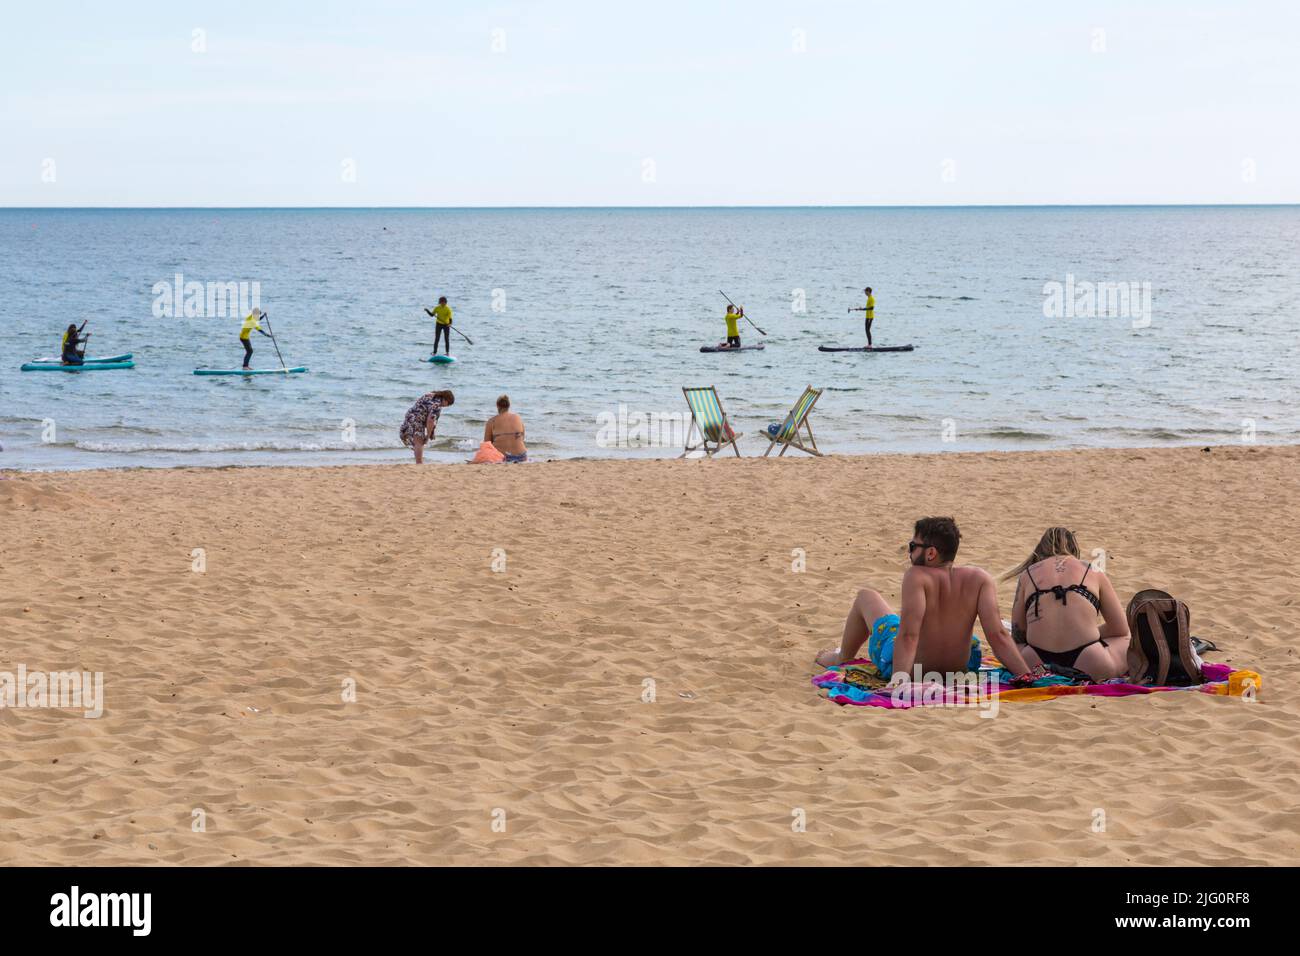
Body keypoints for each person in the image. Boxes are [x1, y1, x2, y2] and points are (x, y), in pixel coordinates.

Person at [816, 516, 1034, 682]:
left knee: (867, 597)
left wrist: (898, 681)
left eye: (913, 547)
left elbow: (909, 635)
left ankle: (841, 657)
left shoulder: (916, 576)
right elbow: (997, 635)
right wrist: (1025, 675)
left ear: (931, 553)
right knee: (971, 641)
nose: (910, 553)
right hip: (960, 669)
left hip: (915, 671)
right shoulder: (980, 578)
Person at [1003, 527, 1130, 681]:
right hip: (1091, 661)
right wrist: (1084, 633)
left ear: (1041, 549)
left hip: (1034, 662)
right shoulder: (1093, 570)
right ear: (1074, 548)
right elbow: (1120, 628)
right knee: (1127, 639)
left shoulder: (1027, 574)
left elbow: (1018, 634)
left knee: (1009, 645)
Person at [400, 389, 454, 464]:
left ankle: (418, 461)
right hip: (417, 420)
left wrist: (431, 432)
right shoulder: (437, 405)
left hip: (410, 416)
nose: (446, 406)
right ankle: (419, 463)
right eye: (448, 404)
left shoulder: (430, 395)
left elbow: (421, 406)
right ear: (446, 399)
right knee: (420, 442)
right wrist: (428, 436)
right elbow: (430, 421)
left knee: (416, 442)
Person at [484, 394, 527, 463]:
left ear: (497, 406)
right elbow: (522, 438)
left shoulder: (492, 421)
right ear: (509, 406)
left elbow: (487, 444)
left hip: (502, 458)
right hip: (522, 456)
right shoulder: (518, 418)